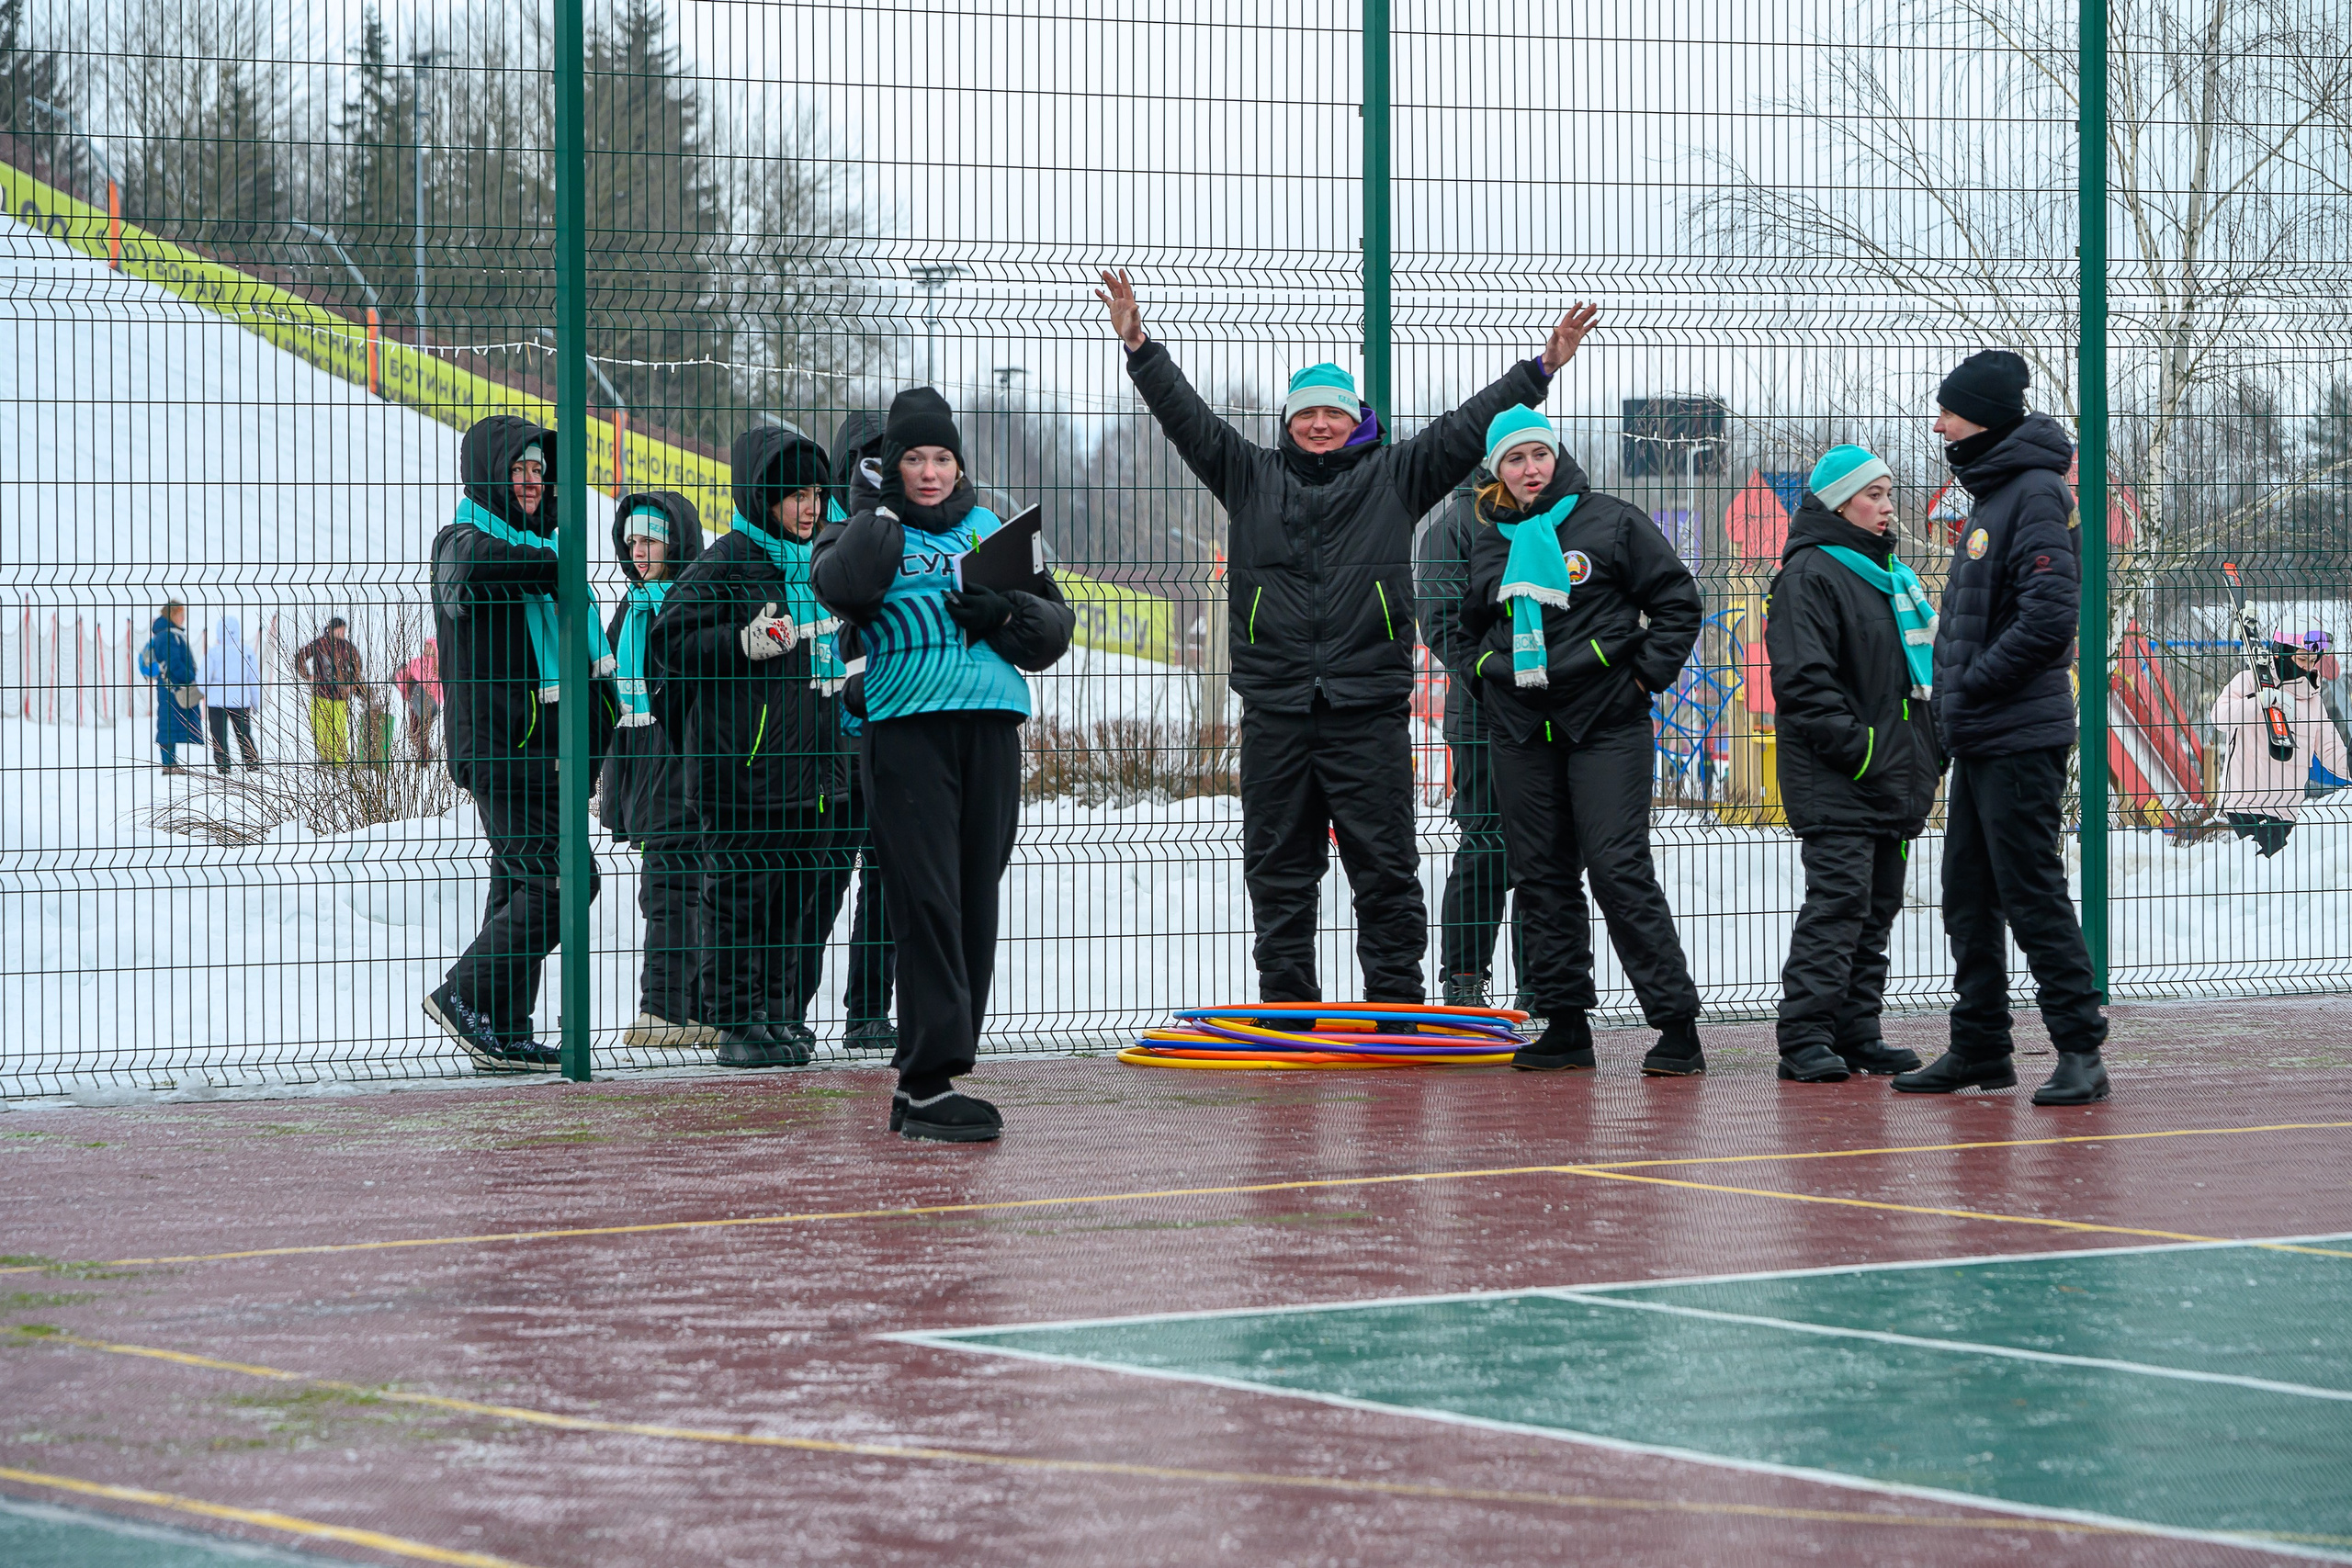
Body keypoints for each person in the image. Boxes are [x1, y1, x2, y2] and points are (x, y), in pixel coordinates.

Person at [1097, 268, 1596, 1005]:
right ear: (1289, 423)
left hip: (1367, 710)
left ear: (1355, 417)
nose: (1320, 425)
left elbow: (1467, 425)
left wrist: (1541, 368)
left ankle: (1396, 1001)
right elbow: (1188, 421)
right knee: (1278, 864)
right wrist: (1140, 345)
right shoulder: (1248, 475)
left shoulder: (1397, 475)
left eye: (1333, 412)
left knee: (1385, 863)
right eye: (1307, 414)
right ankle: (1288, 1002)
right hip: (1277, 709)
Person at [811, 387, 1074, 1141]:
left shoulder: (994, 531)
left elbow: (1053, 631)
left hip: (990, 728)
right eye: (914, 459)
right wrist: (879, 513)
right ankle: (926, 1080)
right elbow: (844, 587)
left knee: (972, 898)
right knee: (925, 901)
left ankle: (928, 1080)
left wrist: (1005, 612)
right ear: (892, 465)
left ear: (961, 465)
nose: (930, 472)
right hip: (905, 732)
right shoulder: (862, 529)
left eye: (942, 458)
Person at [1457, 406, 1707, 1074]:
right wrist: (1484, 675)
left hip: (1606, 724)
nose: (1530, 469)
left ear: (1556, 456)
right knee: (1540, 878)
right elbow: (1465, 626)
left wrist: (1640, 681)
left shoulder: (1611, 521)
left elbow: (1679, 602)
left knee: (1618, 870)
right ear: (1497, 471)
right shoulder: (1489, 539)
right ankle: (1565, 1024)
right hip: (1521, 732)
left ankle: (1676, 1024)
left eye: (1539, 454)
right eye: (1515, 460)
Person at [1894, 350, 2109, 1106]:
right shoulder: (1995, 494)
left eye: (1949, 410)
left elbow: (2050, 617)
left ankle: (2080, 1048)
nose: (1939, 422)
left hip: (2018, 731)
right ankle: (1981, 1045)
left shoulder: (2035, 493)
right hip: (1984, 733)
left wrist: (1974, 683)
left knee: (2030, 890)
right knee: (1968, 893)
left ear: (1982, 417)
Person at [651, 427, 848, 1068]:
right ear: (762, 497)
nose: (810, 506)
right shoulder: (728, 560)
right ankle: (733, 1021)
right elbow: (669, 643)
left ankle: (777, 1015)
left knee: (791, 900)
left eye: (816, 492)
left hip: (810, 772)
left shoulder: (817, 562)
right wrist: (740, 642)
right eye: (794, 494)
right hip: (742, 770)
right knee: (738, 899)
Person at [424, 415, 615, 1074]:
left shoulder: (550, 551)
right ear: (489, 476)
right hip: (503, 751)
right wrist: (553, 567)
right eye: (520, 470)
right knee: (569, 877)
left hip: (547, 754)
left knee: (517, 880)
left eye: (540, 471)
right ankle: (464, 993)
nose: (533, 483)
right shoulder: (461, 539)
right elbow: (473, 577)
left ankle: (499, 1027)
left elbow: (592, 665)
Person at [1764, 446, 1943, 1082]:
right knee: (1839, 903)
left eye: (1889, 492)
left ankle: (1857, 1030)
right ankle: (1805, 1035)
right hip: (1841, 777)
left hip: (1895, 776)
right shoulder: (1810, 574)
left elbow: (1922, 678)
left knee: (1877, 909)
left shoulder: (1889, 576)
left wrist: (1931, 747)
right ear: (1839, 502)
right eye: (1874, 494)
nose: (1887, 505)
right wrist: (1865, 750)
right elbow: (1805, 683)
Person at [602, 490, 713, 1048]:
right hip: (647, 772)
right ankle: (677, 1010)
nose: (639, 552)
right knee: (672, 889)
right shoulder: (632, 607)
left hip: (686, 766)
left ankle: (672, 1009)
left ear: (676, 542)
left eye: (650, 540)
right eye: (632, 542)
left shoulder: (691, 603)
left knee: (679, 888)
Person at [805, 409, 898, 1053]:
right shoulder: (832, 540)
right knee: (824, 881)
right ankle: (787, 1007)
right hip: (836, 746)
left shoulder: (901, 535)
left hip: (890, 735)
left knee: (887, 886)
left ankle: (868, 1011)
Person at [1418, 477, 1526, 1010]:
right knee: (1486, 844)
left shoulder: (1542, 518)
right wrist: (1498, 674)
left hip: (1551, 712)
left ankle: (1544, 984)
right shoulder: (1453, 529)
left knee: (1545, 851)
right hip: (1483, 713)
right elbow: (1441, 627)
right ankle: (1464, 982)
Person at [2211, 628, 2346, 857]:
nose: (2307, 666)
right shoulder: (2249, 680)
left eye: (2313, 660)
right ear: (2282, 653)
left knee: (2279, 884)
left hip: (2287, 812)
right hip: (2247, 806)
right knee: (2255, 879)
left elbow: (2330, 748)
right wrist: (2260, 702)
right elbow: (2219, 717)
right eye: (2302, 658)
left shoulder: (2312, 700)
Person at [139, 598, 203, 773]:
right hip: (172, 688)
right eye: (181, 614)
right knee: (168, 725)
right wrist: (190, 678)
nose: (184, 618)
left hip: (168, 687)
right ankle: (168, 764)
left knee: (169, 724)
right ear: (173, 614)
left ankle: (170, 763)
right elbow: (174, 662)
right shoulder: (168, 636)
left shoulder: (168, 633)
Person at [292, 617, 367, 763]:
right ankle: (325, 759)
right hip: (320, 694)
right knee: (320, 730)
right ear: (331, 630)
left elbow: (358, 667)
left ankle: (338, 763)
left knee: (338, 731)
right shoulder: (319, 644)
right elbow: (300, 657)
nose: (343, 632)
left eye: (344, 629)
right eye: (340, 629)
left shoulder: (348, 647)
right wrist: (307, 675)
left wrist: (353, 684)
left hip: (340, 696)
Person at [200, 613, 264, 773]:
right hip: (239, 700)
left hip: (216, 702)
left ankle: (223, 766)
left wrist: (206, 690)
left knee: (218, 736)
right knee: (244, 734)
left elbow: (202, 680)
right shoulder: (246, 652)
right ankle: (252, 763)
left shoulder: (213, 653)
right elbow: (254, 680)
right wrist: (256, 703)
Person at [393, 639, 443, 761]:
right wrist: (407, 690)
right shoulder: (416, 662)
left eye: (429, 646)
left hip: (430, 704)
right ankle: (426, 755)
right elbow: (402, 676)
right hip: (415, 702)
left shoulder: (439, 665)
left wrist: (434, 699)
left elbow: (441, 687)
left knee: (422, 732)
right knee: (415, 732)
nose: (427, 648)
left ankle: (425, 757)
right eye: (426, 646)